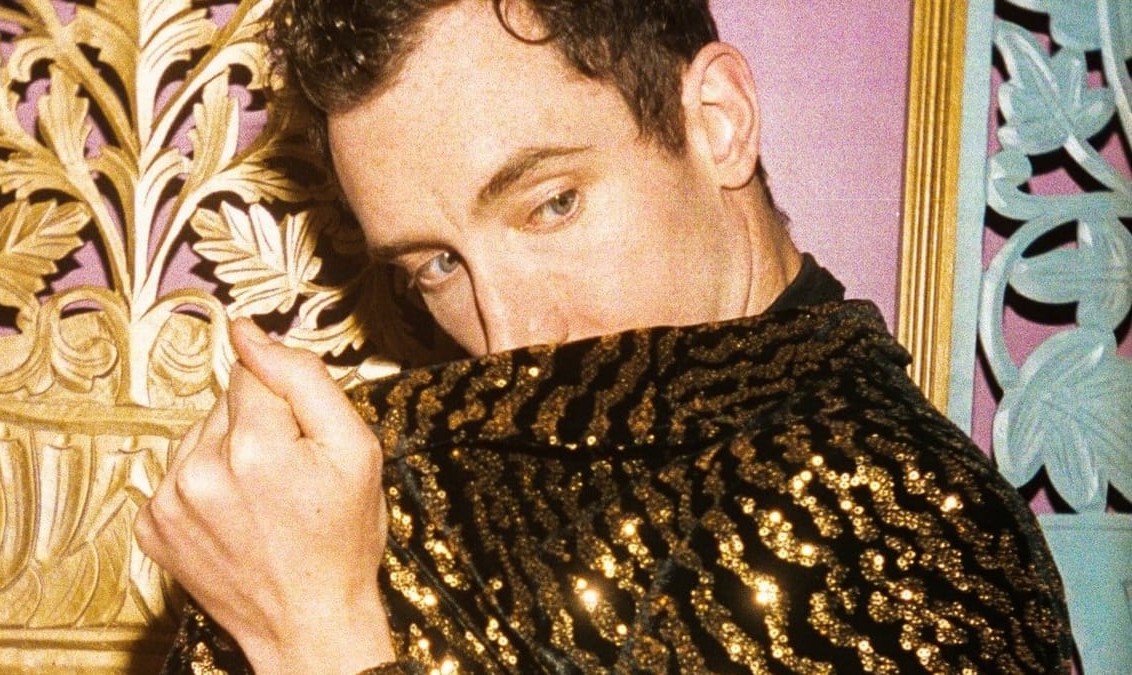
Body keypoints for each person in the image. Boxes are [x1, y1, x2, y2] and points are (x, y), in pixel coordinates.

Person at [133, 0, 1074, 672]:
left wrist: (321, 640)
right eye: (436, 265)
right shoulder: (369, 490)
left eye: (551, 204)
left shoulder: (926, 540)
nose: (510, 335)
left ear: (718, 123)